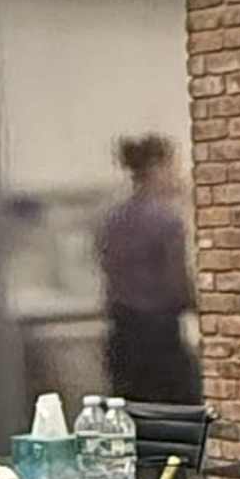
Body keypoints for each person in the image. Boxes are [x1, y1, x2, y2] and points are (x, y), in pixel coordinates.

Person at [94, 132, 200, 408]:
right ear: (156, 169)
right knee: (179, 419)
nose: (177, 175)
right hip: (159, 340)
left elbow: (107, 270)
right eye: (173, 167)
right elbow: (177, 284)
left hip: (121, 336)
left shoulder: (112, 220)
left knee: (133, 419)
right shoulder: (167, 221)